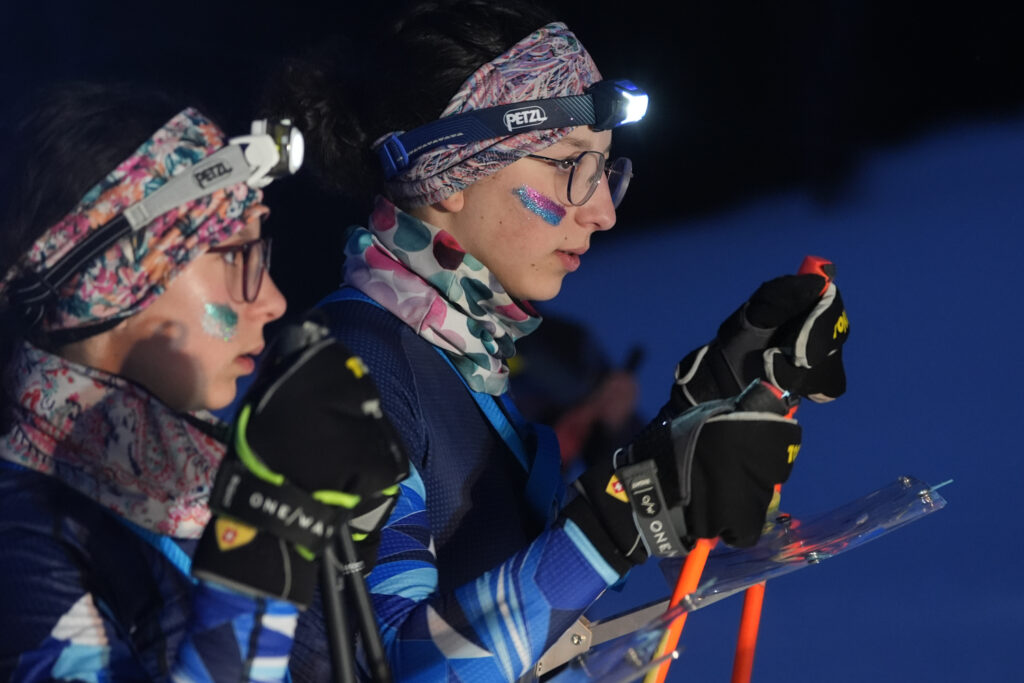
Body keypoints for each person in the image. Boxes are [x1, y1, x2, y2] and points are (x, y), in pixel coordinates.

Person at [273, 2, 849, 680]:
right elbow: (384, 665)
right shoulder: (347, 367)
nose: (602, 210)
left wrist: (703, 414)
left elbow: (520, 608)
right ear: (448, 172)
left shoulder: (458, 362)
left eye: (606, 170)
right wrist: (636, 506)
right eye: (570, 165)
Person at [0, 83, 408, 682]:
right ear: (112, 280)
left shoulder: (194, 477)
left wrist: (587, 550)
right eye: (233, 253)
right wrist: (266, 539)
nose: (272, 301)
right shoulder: (19, 540)